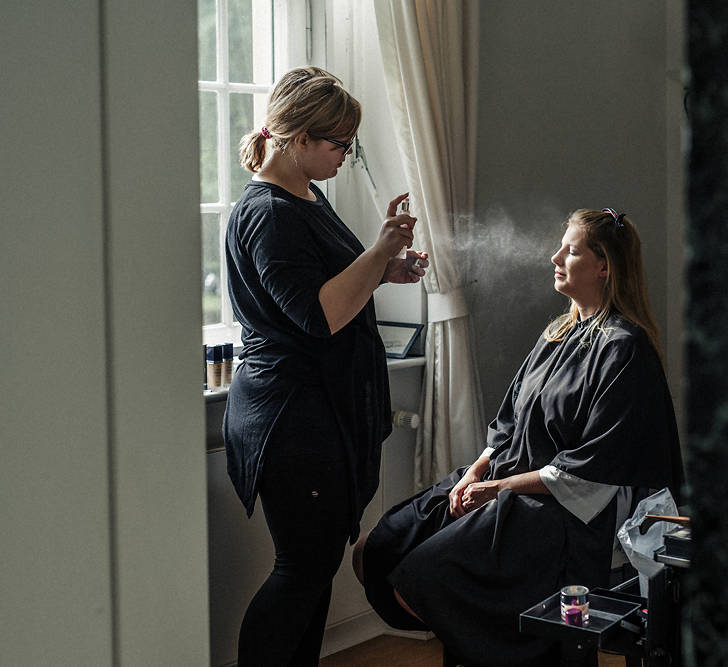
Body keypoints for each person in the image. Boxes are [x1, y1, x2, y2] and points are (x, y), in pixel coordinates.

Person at [352, 208, 686, 667]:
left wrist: (496, 489)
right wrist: (476, 471)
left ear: (605, 265)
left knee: (426, 578)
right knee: (376, 548)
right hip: (507, 480)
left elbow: (593, 474)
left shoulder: (624, 348)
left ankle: (495, 643)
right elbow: (510, 419)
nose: (555, 257)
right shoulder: (558, 332)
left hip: (564, 512)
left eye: (570, 250)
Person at [222, 66, 430, 667]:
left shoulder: (307, 197)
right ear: (299, 138)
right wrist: (380, 251)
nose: (347, 153)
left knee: (311, 572)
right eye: (339, 142)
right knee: (301, 569)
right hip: (291, 418)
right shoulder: (269, 213)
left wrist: (385, 270)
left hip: (318, 413)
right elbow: (319, 316)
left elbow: (328, 287)